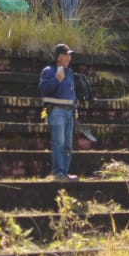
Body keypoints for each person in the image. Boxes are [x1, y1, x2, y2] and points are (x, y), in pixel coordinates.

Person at [39, 43, 79, 180]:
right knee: (59, 142)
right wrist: (57, 79)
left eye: (69, 55)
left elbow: (71, 93)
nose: (69, 58)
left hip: (69, 112)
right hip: (57, 111)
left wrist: (75, 108)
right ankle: (58, 172)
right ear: (59, 57)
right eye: (66, 55)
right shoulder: (48, 71)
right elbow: (43, 90)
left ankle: (65, 172)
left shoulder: (70, 72)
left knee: (68, 144)